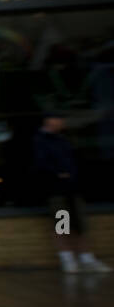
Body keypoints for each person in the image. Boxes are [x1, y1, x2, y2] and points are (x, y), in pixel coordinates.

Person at [34, 114, 109, 273]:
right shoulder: (40, 141)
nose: (62, 123)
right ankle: (68, 260)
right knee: (63, 226)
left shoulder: (64, 139)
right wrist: (58, 174)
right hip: (57, 191)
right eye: (58, 119)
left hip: (73, 189)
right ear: (49, 120)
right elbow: (40, 164)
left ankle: (87, 259)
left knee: (80, 225)